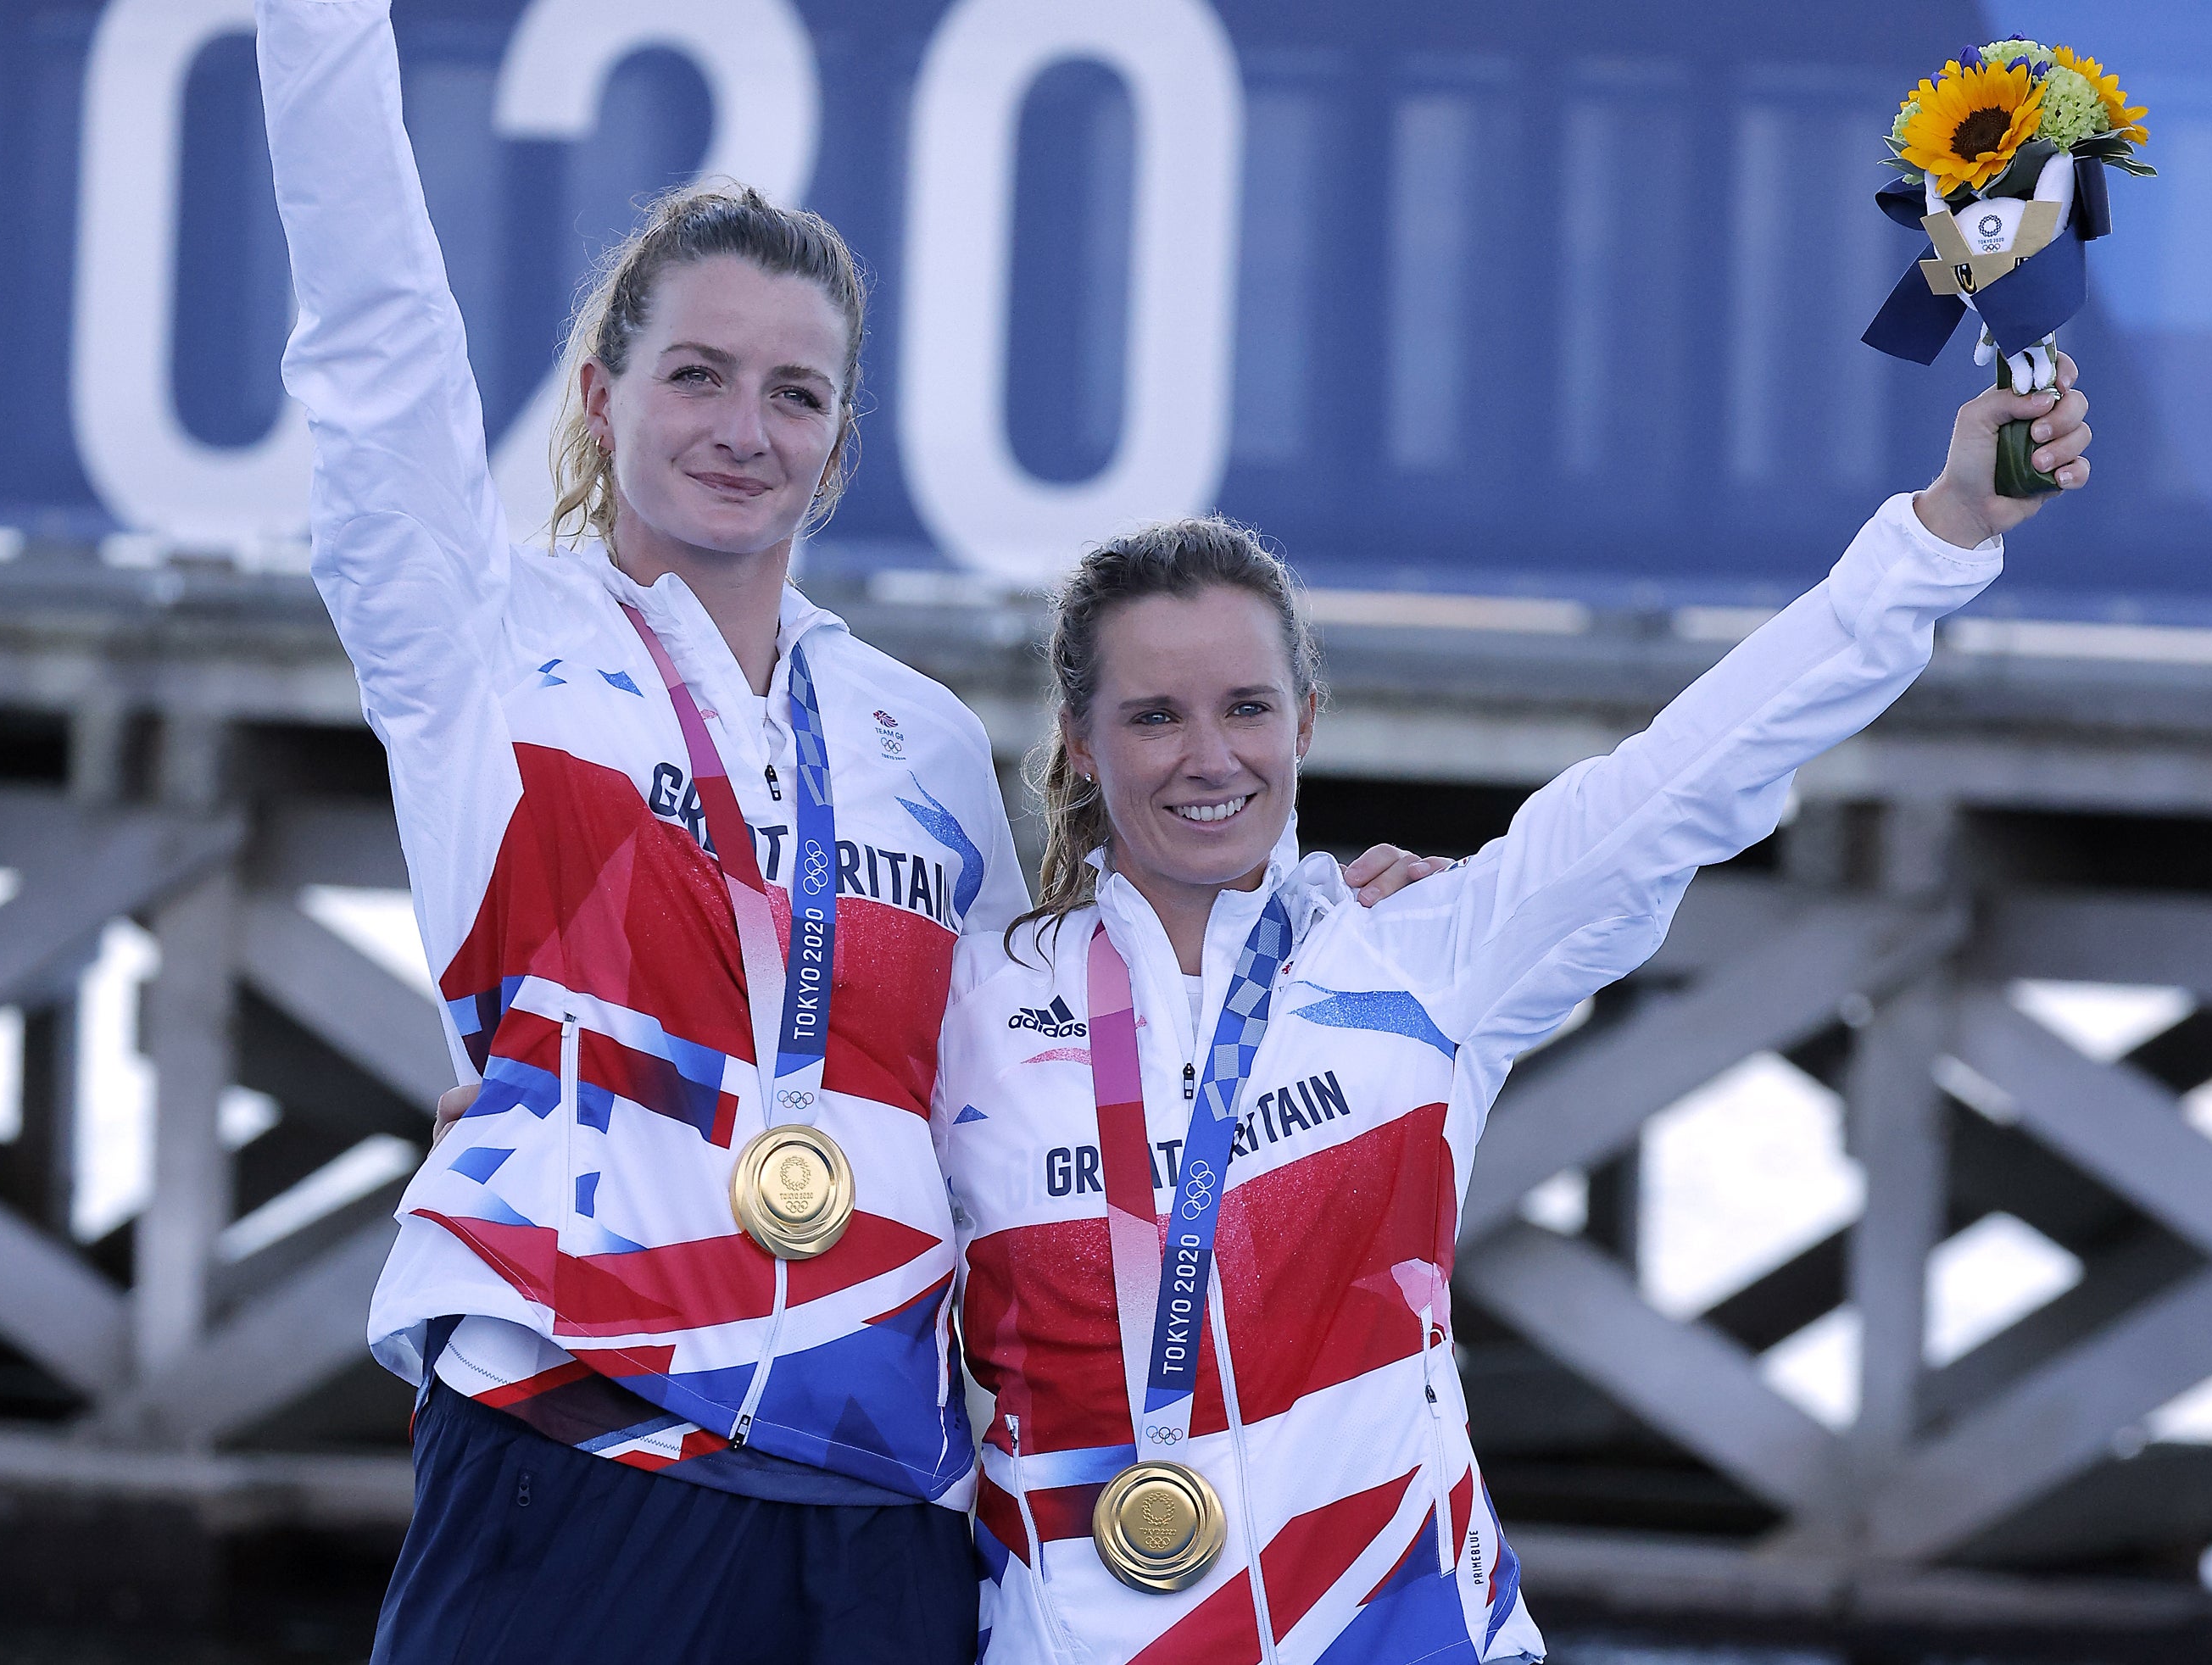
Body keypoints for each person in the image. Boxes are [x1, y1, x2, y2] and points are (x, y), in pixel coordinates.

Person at [261, 3, 1445, 1657]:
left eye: (792, 392)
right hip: (580, 1441)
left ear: (834, 441)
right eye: (695, 374)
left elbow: (1039, 1057)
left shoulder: (921, 741)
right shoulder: (477, 649)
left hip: (879, 1518)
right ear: (601, 395)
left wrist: (1316, 937)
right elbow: (370, 328)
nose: (743, 426)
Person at [931, 364, 2095, 1662]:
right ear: (1082, 744)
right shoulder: (974, 1012)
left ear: (1306, 722)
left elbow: (1692, 771)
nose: (1210, 757)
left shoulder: (1426, 961)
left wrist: (1941, 531)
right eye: (1154, 716)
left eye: (1247, 708)